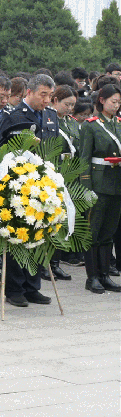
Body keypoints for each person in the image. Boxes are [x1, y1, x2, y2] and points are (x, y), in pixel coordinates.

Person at [0, 73, 59, 305]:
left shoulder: (51, 116)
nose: (46, 100)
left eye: (50, 95)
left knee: (39, 235)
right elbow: (3, 148)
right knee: (19, 235)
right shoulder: (14, 116)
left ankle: (32, 285)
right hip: (19, 184)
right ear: (30, 92)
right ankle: (14, 288)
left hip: (44, 184)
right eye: (43, 94)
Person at [79, 84, 121, 293]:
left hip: (117, 182)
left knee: (108, 231)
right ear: (102, 100)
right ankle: (92, 276)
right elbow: (84, 158)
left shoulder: (119, 124)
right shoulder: (91, 125)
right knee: (93, 231)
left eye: (119, 102)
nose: (116, 106)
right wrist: (87, 187)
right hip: (98, 182)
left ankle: (105, 275)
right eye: (113, 101)